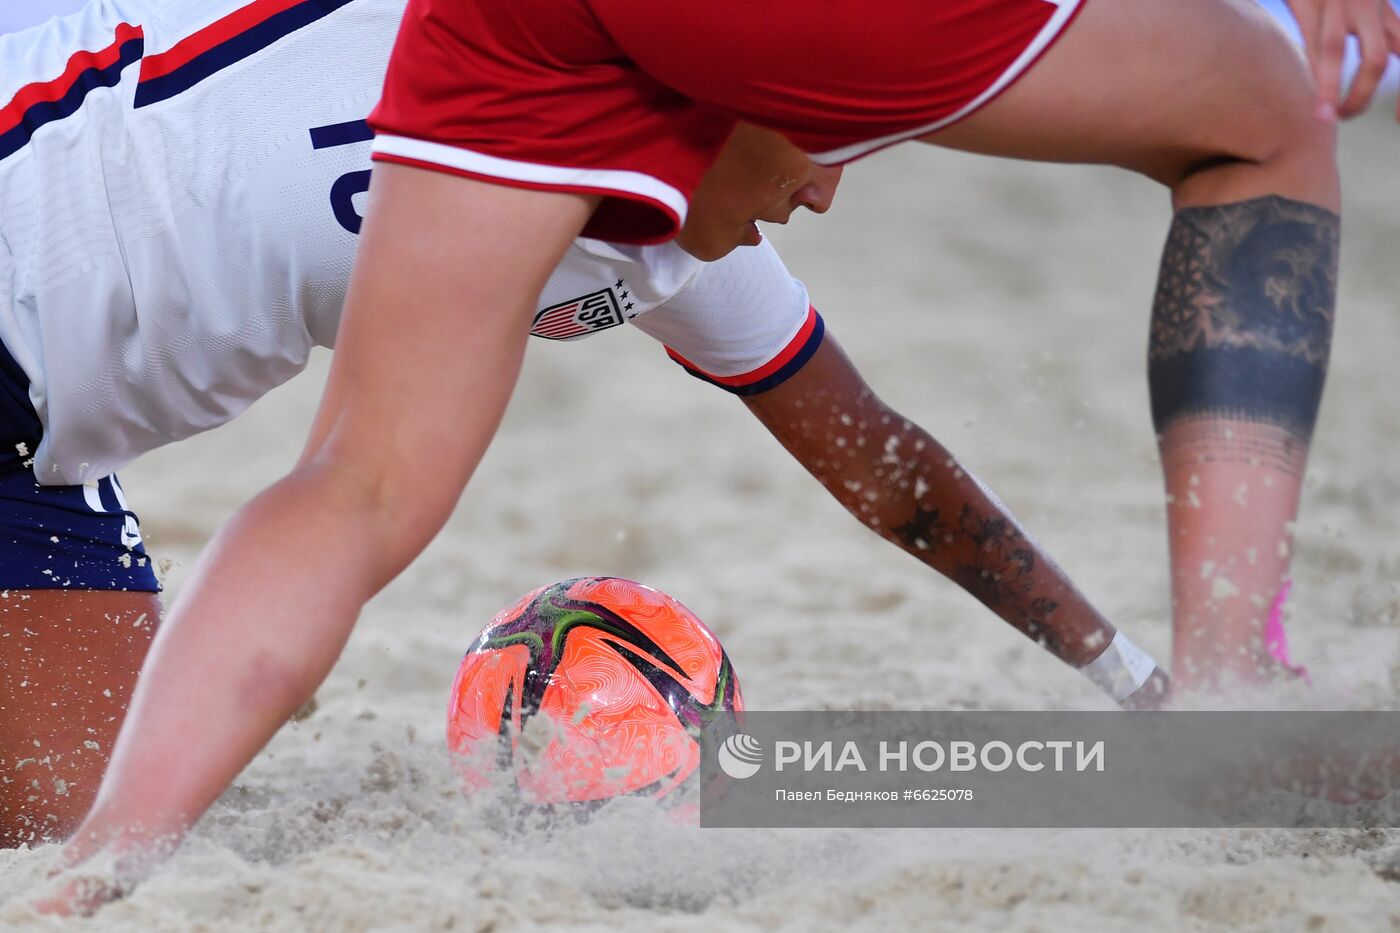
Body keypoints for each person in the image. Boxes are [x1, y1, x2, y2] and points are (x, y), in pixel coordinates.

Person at [36, 0, 1396, 911]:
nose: (827, 181)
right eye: (822, 134)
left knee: (57, 790)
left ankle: (97, 864)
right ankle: (1244, 673)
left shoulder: (633, 203)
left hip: (42, 436)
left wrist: (1122, 685)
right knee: (1271, 115)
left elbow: (894, 476)